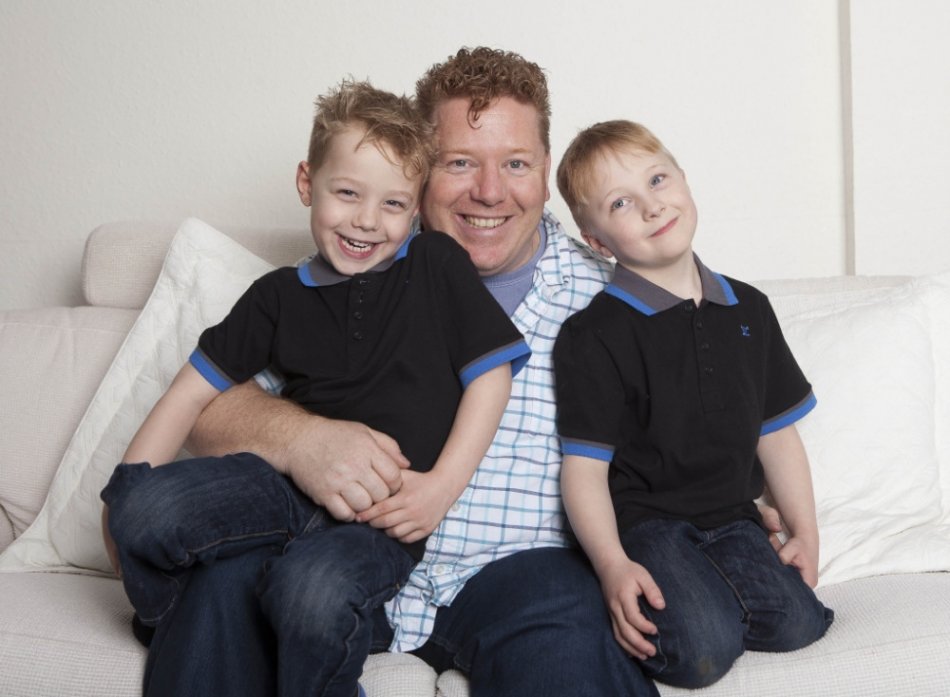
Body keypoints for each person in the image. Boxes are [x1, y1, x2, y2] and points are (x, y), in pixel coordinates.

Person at [100, 79, 530, 697]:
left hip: (376, 523)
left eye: (392, 203)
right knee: (136, 504)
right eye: (347, 193)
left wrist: (441, 487)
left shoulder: (436, 263)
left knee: (310, 590)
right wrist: (122, 514)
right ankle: (166, 611)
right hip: (283, 490)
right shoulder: (275, 297)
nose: (366, 220)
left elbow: (490, 375)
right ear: (307, 183)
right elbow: (188, 395)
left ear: (415, 208)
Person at [553, 119, 835, 687]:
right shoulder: (593, 335)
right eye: (621, 203)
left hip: (735, 517)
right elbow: (584, 470)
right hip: (648, 525)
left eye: (658, 180)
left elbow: (776, 434)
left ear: (683, 179)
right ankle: (663, 600)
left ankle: (712, 590)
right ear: (598, 242)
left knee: (801, 623)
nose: (652, 206)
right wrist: (612, 565)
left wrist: (805, 532)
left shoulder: (748, 307)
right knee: (703, 651)